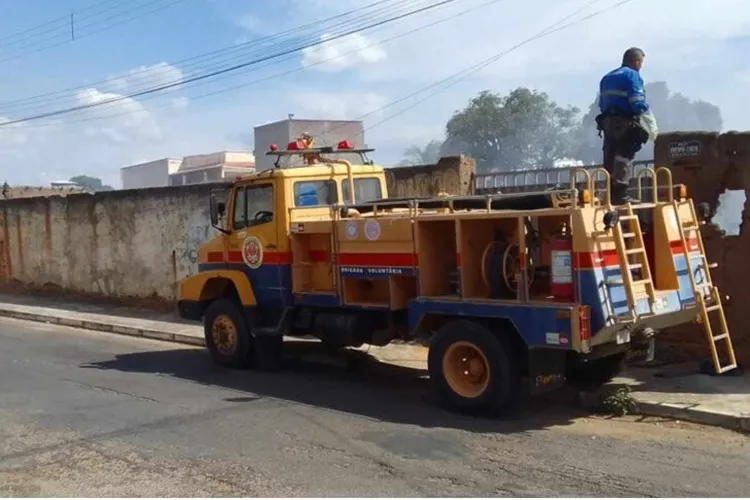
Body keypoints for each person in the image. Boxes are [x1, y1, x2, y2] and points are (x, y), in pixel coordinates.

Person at [596, 47, 651, 205]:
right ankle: (620, 194)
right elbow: (636, 101)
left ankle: (609, 192)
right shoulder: (632, 75)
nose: (641, 66)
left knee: (610, 155)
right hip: (625, 122)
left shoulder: (606, 77)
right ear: (636, 61)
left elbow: (602, 104)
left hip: (607, 122)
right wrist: (646, 115)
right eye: (641, 62)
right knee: (624, 155)